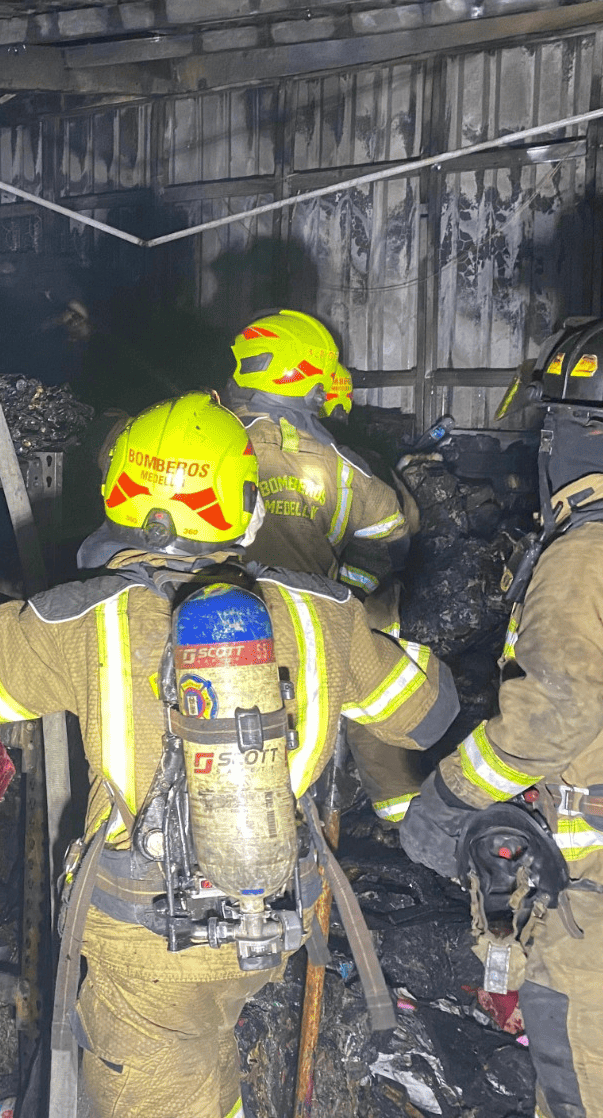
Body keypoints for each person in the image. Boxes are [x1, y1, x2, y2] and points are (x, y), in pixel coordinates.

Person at [0, 392, 459, 1118]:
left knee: (155, 1088)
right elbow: (429, 716)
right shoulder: (319, 612)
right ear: (243, 502)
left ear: (124, 493)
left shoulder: (87, 619)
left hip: (150, 943)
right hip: (272, 924)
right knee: (201, 1061)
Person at [400, 318, 603, 1118]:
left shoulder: (596, 550)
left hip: (593, 857)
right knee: (569, 1042)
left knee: (591, 1055)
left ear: (570, 428)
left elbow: (560, 706)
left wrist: (454, 793)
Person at [223, 309, 425, 824]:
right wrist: (351, 592)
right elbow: (391, 533)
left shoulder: (207, 441)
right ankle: (399, 809)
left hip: (216, 631)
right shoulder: (337, 463)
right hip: (313, 630)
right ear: (305, 376)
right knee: (380, 633)